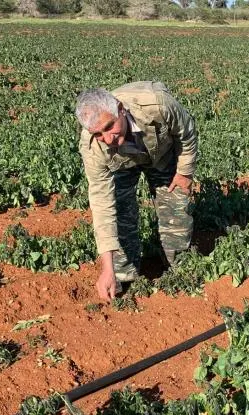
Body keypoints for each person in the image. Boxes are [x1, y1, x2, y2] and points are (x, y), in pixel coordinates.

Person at [75, 81, 197, 301]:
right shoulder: (93, 147)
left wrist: (184, 173)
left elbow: (186, 132)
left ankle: (178, 266)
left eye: (109, 126)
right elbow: (102, 203)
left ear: (120, 109)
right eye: (99, 134)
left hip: (162, 153)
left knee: (176, 209)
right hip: (121, 163)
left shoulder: (157, 104)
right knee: (120, 211)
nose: (107, 138)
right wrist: (107, 268)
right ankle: (122, 274)